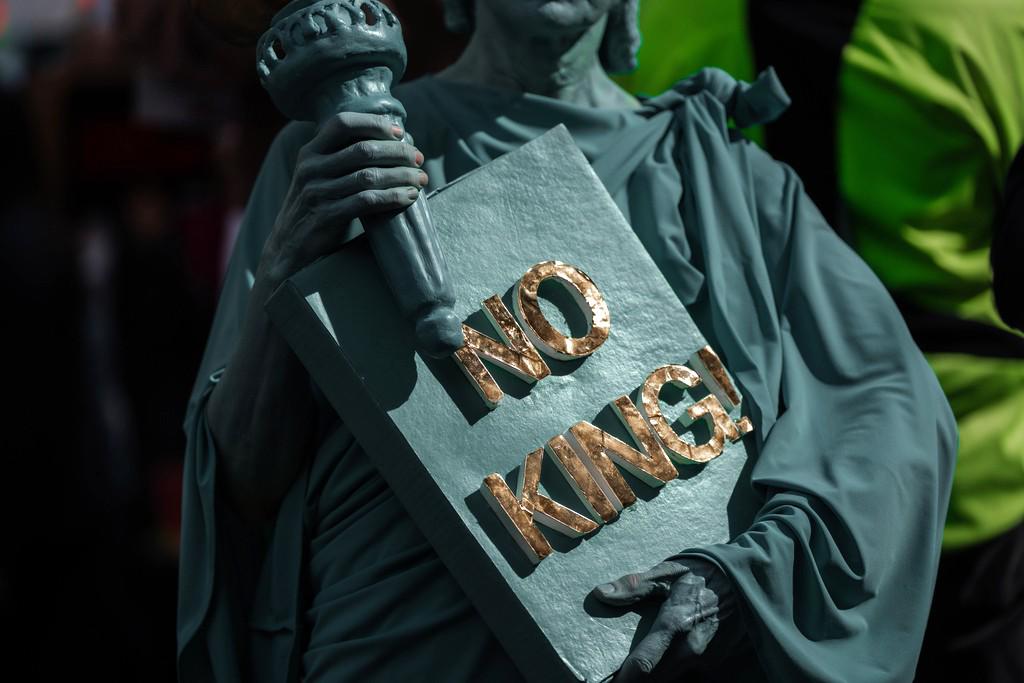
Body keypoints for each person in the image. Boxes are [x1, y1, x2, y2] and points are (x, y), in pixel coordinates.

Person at [178, 1, 957, 681]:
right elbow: (243, 479)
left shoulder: (730, 180)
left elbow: (887, 422)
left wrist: (743, 575)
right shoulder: (334, 157)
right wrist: (286, 267)